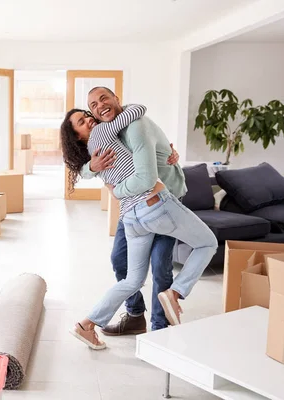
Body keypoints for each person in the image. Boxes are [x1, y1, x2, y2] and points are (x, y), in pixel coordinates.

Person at [61, 88, 218, 350]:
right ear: (77, 135)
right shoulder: (104, 132)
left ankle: (86, 325)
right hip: (154, 205)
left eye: (92, 110)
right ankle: (175, 294)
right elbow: (137, 110)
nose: (92, 115)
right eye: (84, 117)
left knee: (133, 280)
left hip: (132, 216)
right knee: (207, 243)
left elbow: (139, 144)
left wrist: (165, 157)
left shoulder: (93, 152)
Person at [82, 139, 180, 334]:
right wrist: (90, 167)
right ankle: (135, 316)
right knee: (120, 260)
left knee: (160, 265)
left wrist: (170, 153)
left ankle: (160, 328)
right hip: (131, 209)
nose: (99, 108)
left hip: (162, 204)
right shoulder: (97, 141)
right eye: (93, 106)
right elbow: (81, 170)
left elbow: (160, 145)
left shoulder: (132, 128)